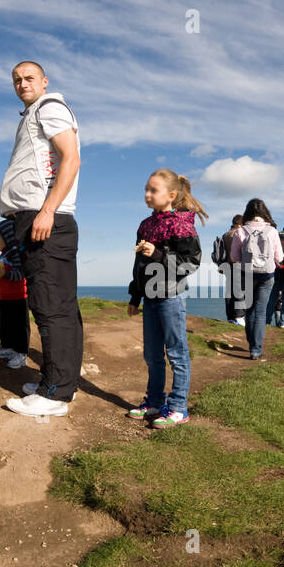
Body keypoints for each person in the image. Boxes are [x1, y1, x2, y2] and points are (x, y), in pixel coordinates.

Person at [0, 61, 82, 418]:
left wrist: (47, 210)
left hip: (44, 218)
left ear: (44, 81)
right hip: (37, 217)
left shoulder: (49, 107)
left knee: (51, 308)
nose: (22, 83)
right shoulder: (35, 113)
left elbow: (71, 158)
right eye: (16, 79)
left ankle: (55, 394)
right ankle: (60, 382)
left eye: (29, 77)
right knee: (59, 307)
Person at [127, 168, 206, 426]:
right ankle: (154, 402)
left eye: (153, 190)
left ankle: (179, 407)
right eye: (146, 190)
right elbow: (139, 265)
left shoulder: (181, 224)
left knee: (176, 353)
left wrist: (158, 254)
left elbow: (191, 263)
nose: (147, 194)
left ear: (171, 195)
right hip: (150, 298)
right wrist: (134, 296)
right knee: (151, 354)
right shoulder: (145, 225)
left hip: (171, 298)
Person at [227, 200, 284, 361]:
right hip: (267, 275)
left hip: (248, 273)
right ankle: (256, 349)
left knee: (249, 309)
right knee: (260, 311)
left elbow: (234, 257)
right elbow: (279, 257)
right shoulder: (271, 231)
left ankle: (252, 344)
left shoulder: (241, 231)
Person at [0, 224, 31, 366]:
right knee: (5, 325)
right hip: (4, 298)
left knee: (19, 326)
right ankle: (8, 348)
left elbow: (20, 274)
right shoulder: (4, 254)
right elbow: (0, 279)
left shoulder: (15, 253)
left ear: (7, 237)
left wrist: (6, 274)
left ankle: (21, 354)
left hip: (18, 298)